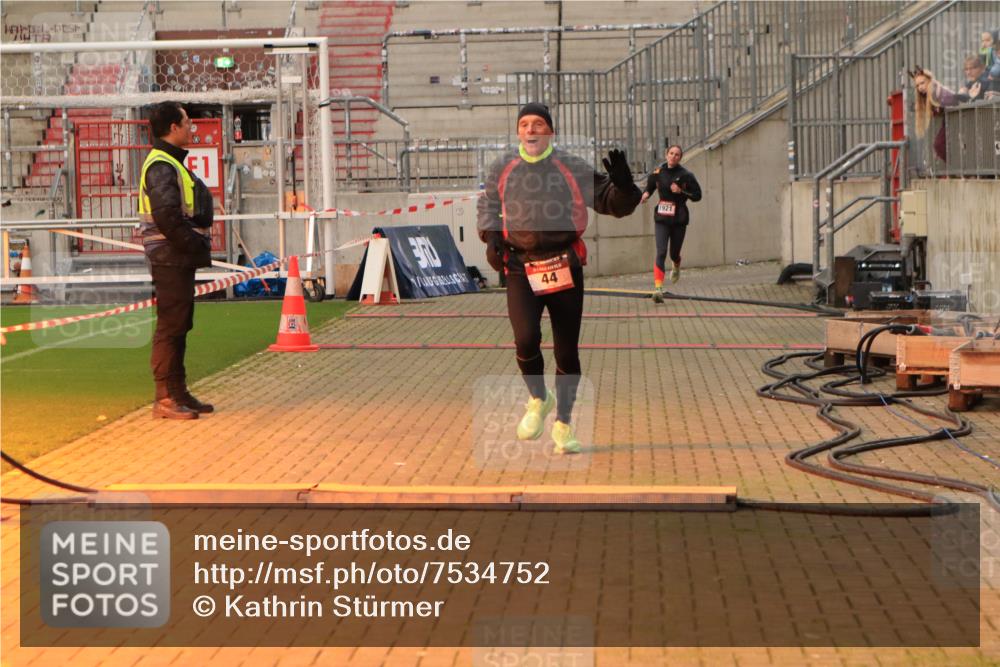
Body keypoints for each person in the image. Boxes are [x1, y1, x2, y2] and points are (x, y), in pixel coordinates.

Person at [478, 103, 641, 454]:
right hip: (521, 267)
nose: (532, 130)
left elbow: (611, 202)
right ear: (518, 132)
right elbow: (488, 204)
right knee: (525, 339)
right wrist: (491, 237)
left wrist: (626, 188)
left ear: (550, 131)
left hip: (563, 265)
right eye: (525, 124)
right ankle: (539, 398)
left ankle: (564, 425)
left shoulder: (570, 166)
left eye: (539, 124)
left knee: (566, 351)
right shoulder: (503, 167)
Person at [139, 102, 216, 419]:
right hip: (170, 255)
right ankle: (165, 398)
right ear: (173, 127)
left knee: (180, 324)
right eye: (187, 122)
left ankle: (178, 392)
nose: (191, 127)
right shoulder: (161, 165)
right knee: (171, 326)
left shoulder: (168, 162)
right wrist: (193, 243)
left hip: (175, 255)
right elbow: (168, 217)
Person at [640, 144, 702, 301]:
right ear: (666, 154)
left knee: (674, 253)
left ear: (680, 158)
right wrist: (646, 194)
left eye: (677, 155)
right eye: (671, 153)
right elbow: (650, 187)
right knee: (661, 252)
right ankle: (658, 289)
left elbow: (697, 196)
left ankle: (676, 264)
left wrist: (681, 191)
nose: (673, 156)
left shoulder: (687, 175)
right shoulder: (658, 172)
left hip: (679, 218)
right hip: (662, 217)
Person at [910, 66, 966, 162]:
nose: (920, 87)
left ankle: (954, 165)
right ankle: (954, 166)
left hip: (956, 117)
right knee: (943, 145)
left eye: (922, 83)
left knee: (939, 144)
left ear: (929, 80)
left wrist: (937, 110)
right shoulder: (928, 94)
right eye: (917, 85)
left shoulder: (935, 91)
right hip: (950, 119)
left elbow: (952, 101)